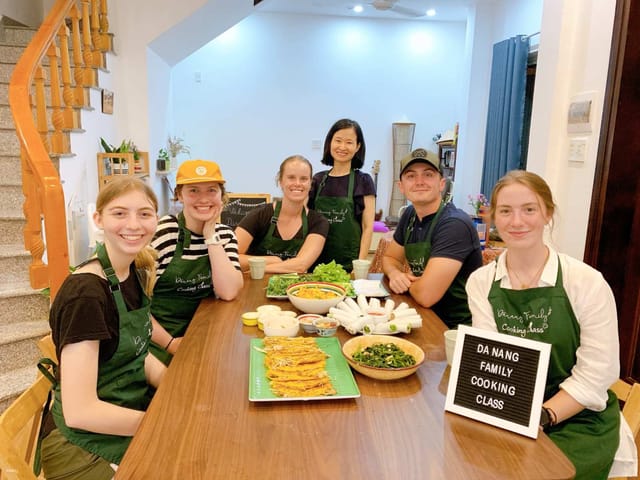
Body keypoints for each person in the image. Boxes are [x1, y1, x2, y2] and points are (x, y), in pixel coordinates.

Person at [466, 170, 637, 479]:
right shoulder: (480, 283)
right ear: (494, 216)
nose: (516, 221)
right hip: (510, 409)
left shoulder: (585, 282)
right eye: (505, 211)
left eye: (529, 209)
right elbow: (491, 358)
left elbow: (598, 372)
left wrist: (543, 415)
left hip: (579, 421)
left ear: (547, 213)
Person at [41, 177, 166, 479]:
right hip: (79, 445)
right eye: (120, 213)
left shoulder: (131, 272)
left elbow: (137, 351)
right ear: (98, 219)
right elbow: (80, 411)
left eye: (144, 214)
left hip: (124, 414)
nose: (133, 224)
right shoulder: (86, 295)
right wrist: (163, 421)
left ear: (156, 220)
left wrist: (173, 385)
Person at [150, 159, 243, 364]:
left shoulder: (225, 235)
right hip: (160, 340)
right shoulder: (165, 232)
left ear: (222, 196)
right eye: (193, 191)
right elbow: (135, 306)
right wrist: (170, 343)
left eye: (212, 190)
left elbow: (228, 292)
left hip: (206, 335)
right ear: (179, 195)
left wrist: (210, 235)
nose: (203, 199)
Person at [382, 148, 482, 327]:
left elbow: (427, 296)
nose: (419, 182)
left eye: (428, 175)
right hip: (421, 314)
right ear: (401, 187)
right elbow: (390, 257)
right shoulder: (410, 215)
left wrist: (410, 285)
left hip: (454, 327)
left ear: (442, 184)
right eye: (411, 176)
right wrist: (396, 274)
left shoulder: (454, 224)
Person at [235, 155, 329, 273]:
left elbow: (301, 265)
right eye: (291, 177)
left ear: (310, 184)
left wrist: (259, 268)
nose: (297, 183)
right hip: (256, 286)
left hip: (297, 289)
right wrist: (271, 260)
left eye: (304, 179)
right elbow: (230, 257)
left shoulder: (318, 222)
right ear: (280, 181)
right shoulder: (259, 215)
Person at [308, 118, 376, 271]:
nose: (342, 147)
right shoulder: (317, 180)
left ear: (358, 146)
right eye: (338, 140)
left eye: (349, 142)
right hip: (315, 262)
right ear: (329, 142)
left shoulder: (363, 180)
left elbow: (367, 227)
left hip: (348, 265)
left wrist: (359, 265)